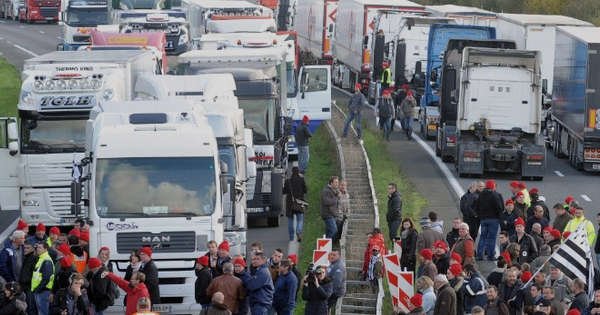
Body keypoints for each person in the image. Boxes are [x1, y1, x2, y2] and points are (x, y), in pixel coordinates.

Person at [474, 179, 504, 261]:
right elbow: (500, 208)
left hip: (483, 219)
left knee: (482, 237)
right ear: (493, 186)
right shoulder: (495, 195)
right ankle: (490, 255)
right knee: (492, 238)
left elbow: (477, 207)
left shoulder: (481, 195)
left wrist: (481, 216)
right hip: (493, 220)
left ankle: (479, 255)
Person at [283, 166, 308, 242]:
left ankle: (291, 238)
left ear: (292, 172)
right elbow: (305, 190)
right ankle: (298, 231)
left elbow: (284, 191)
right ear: (298, 172)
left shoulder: (288, 181)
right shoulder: (301, 180)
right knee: (300, 220)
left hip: (290, 204)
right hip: (299, 203)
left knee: (290, 220)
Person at [31, 242, 54, 315]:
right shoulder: (42, 259)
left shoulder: (46, 260)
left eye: (40, 247)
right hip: (40, 290)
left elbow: (46, 278)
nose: (37, 249)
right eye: (37, 247)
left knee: (42, 312)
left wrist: (38, 289)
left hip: (42, 291)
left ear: (45, 249)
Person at [18, 240, 35, 315]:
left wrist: (24, 281)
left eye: (28, 248)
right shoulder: (27, 257)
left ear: (33, 249)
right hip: (25, 287)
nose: (25, 250)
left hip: (29, 287)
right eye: (24, 248)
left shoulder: (33, 258)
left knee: (30, 308)